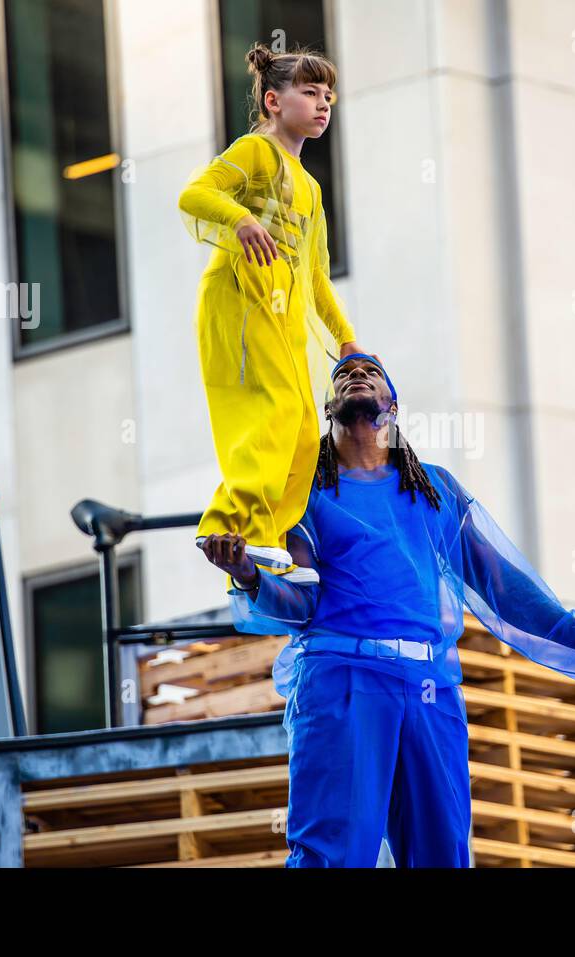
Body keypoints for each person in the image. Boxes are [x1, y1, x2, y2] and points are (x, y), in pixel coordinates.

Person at [201, 354, 575, 867]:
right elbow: (300, 600)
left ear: (393, 406)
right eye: (343, 375)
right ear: (327, 408)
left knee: (445, 852)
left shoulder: (434, 490)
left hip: (429, 688)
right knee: (331, 852)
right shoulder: (305, 494)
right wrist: (249, 574)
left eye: (370, 372)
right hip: (342, 680)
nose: (355, 374)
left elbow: (502, 585)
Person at [179, 41, 370, 575]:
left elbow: (315, 278)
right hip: (242, 295)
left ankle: (266, 537)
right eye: (309, 92)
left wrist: (346, 339)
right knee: (276, 412)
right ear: (272, 101)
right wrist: (241, 221)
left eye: (328, 94)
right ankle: (231, 523)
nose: (323, 103)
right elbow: (195, 194)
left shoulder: (309, 186)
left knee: (306, 429)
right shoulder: (256, 151)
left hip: (283, 307)